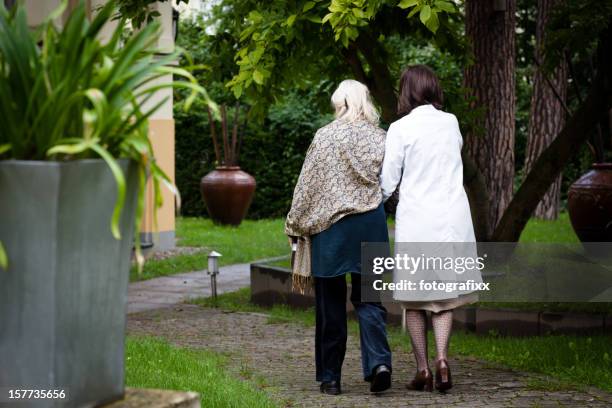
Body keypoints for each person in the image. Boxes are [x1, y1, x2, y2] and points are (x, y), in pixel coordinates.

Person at [285, 79, 392, 396]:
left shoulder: (325, 136)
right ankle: (380, 365)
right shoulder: (381, 138)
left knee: (330, 305)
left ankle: (331, 378)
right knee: (370, 301)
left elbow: (308, 184)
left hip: (332, 230)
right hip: (371, 225)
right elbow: (389, 183)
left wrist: (295, 223)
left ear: (340, 104)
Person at [380, 65, 480, 393]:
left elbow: (388, 181)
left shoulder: (400, 128)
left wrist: (371, 201)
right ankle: (442, 360)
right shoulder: (450, 122)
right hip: (452, 219)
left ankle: (422, 368)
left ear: (405, 91)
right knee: (444, 298)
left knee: (413, 299)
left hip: (418, 220)